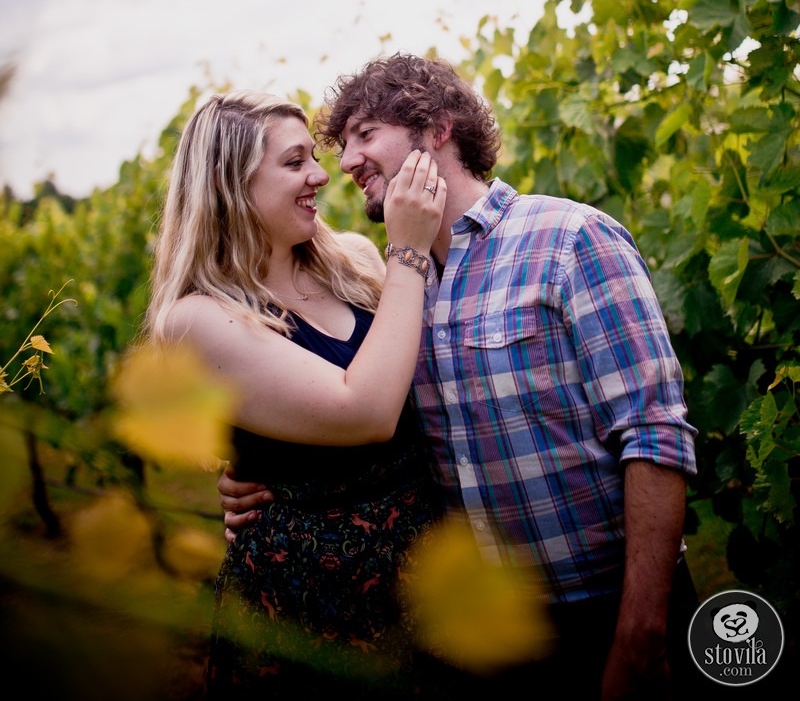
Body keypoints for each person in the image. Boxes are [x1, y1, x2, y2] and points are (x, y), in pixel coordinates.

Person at [219, 55, 706, 700]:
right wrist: (253, 471)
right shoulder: (389, 292)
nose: (345, 161)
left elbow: (653, 435)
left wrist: (641, 633)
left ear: (438, 128)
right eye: (342, 144)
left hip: (605, 608)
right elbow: (353, 402)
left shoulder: (568, 239)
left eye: (365, 134)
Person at [142, 89, 448, 698]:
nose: (319, 174)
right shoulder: (198, 319)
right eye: (293, 162)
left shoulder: (356, 263)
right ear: (230, 185)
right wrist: (408, 250)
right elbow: (363, 410)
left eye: (313, 155)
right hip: (313, 608)